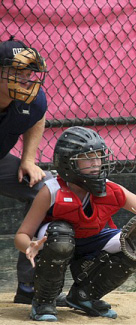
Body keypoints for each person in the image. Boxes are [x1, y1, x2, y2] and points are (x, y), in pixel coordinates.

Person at [14, 126, 136, 322]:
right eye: (87, 157)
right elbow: (21, 235)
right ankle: (44, 301)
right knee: (61, 235)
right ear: (68, 163)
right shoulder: (52, 190)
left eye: (99, 156)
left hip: (93, 240)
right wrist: (30, 247)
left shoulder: (110, 188)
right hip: (57, 243)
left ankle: (84, 296)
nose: (96, 163)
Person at [0, 36, 55, 304]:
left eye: (28, 72)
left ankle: (30, 287)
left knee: (48, 190)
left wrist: (28, 159)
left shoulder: (31, 99)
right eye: (16, 71)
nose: (25, 78)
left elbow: (38, 116)